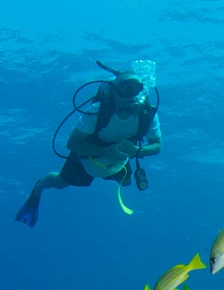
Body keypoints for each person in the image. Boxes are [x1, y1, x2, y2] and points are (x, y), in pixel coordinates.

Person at [16, 69, 162, 227]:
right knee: (60, 183)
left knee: (127, 182)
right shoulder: (98, 111)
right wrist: (105, 151)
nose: (129, 99)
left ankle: (118, 175)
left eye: (135, 91)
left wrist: (137, 151)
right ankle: (38, 189)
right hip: (86, 157)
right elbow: (72, 144)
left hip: (118, 161)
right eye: (125, 92)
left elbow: (157, 145)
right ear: (113, 93)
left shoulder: (148, 113)